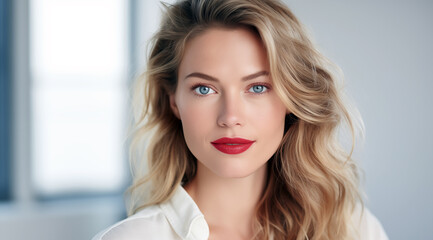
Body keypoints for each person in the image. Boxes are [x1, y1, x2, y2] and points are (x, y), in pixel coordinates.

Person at [93, 0, 388, 239]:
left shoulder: (354, 229)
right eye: (204, 89)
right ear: (174, 101)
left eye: (257, 87)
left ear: (290, 100)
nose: (230, 117)